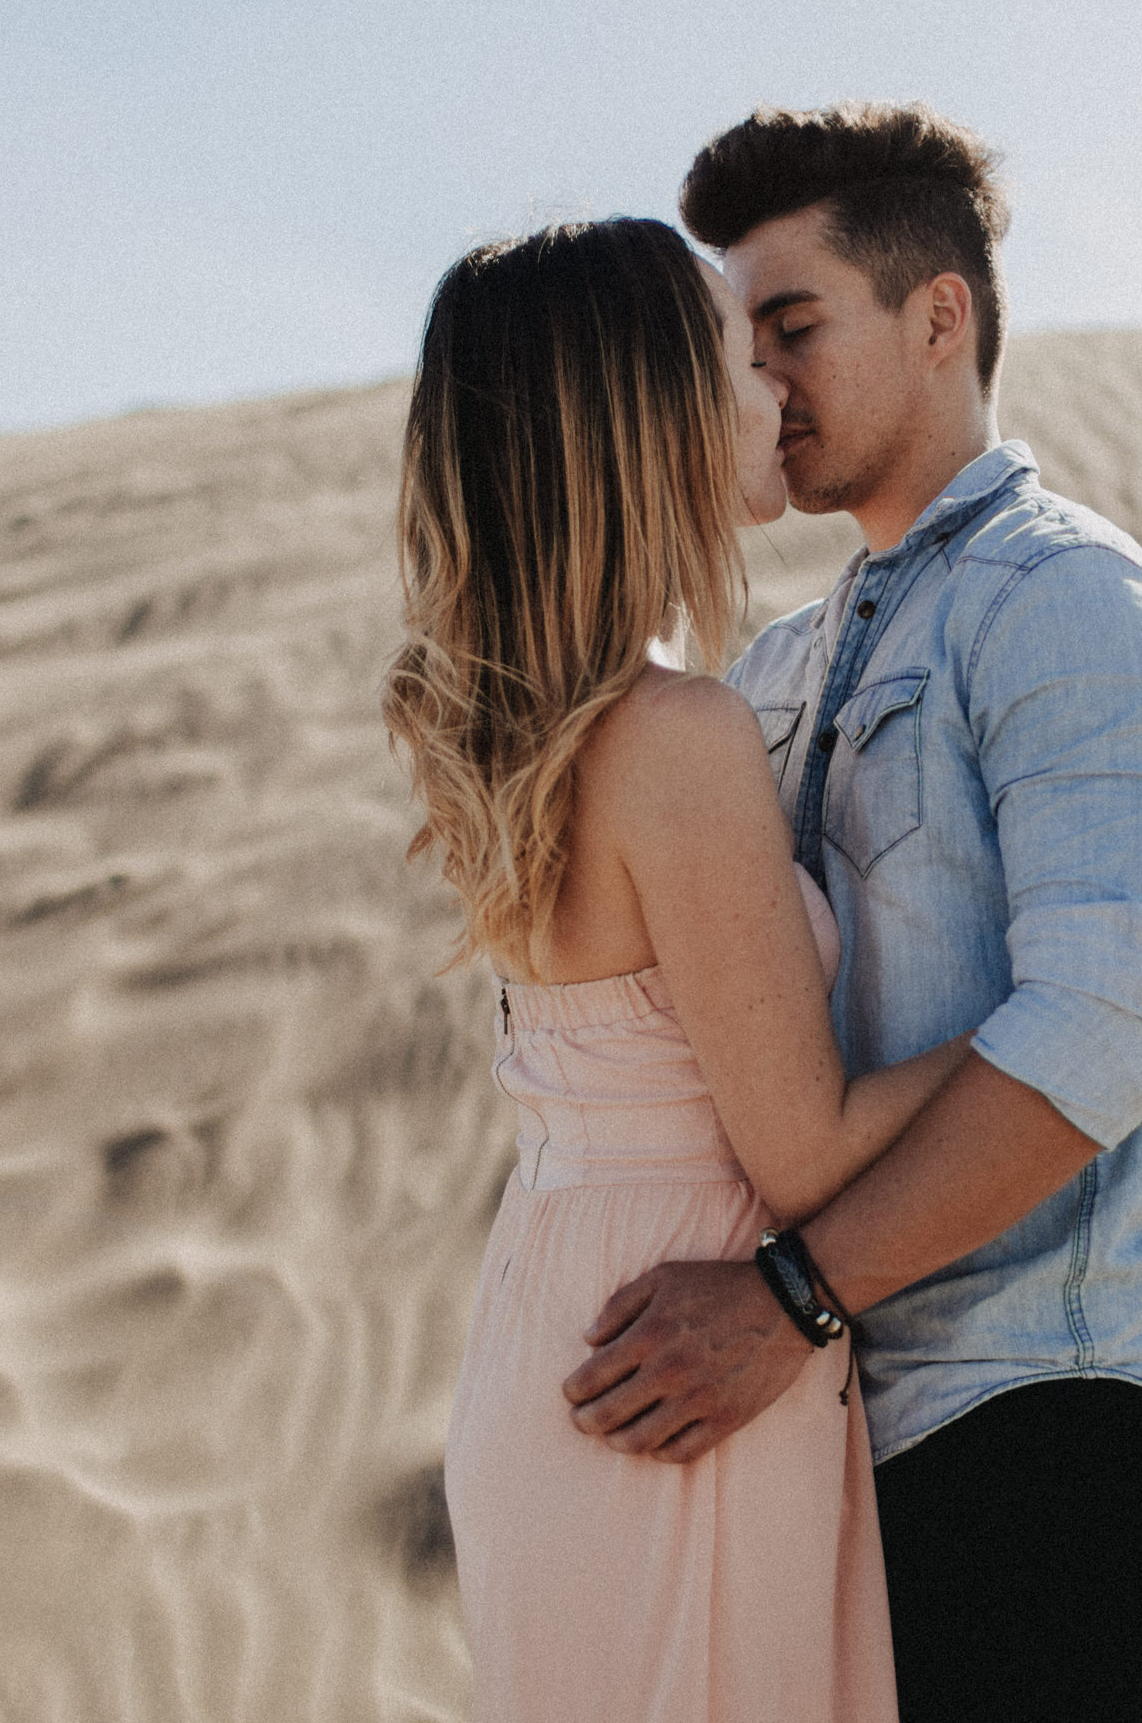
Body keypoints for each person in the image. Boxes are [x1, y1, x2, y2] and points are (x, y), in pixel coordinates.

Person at [558, 104, 1142, 1720]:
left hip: (1038, 1410)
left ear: (942, 318)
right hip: (829, 1421)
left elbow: (1115, 1015)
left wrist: (794, 1299)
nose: (763, 383)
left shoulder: (1072, 598)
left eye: (795, 328)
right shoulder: (774, 670)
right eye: (744, 342)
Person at [388, 217, 974, 1719]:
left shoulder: (529, 731)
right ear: (651, 419)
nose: (775, 386)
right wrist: (1043, 1032)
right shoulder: (675, 741)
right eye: (735, 355)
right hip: (683, 1363)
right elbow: (807, 1151)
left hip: (563, 1322)